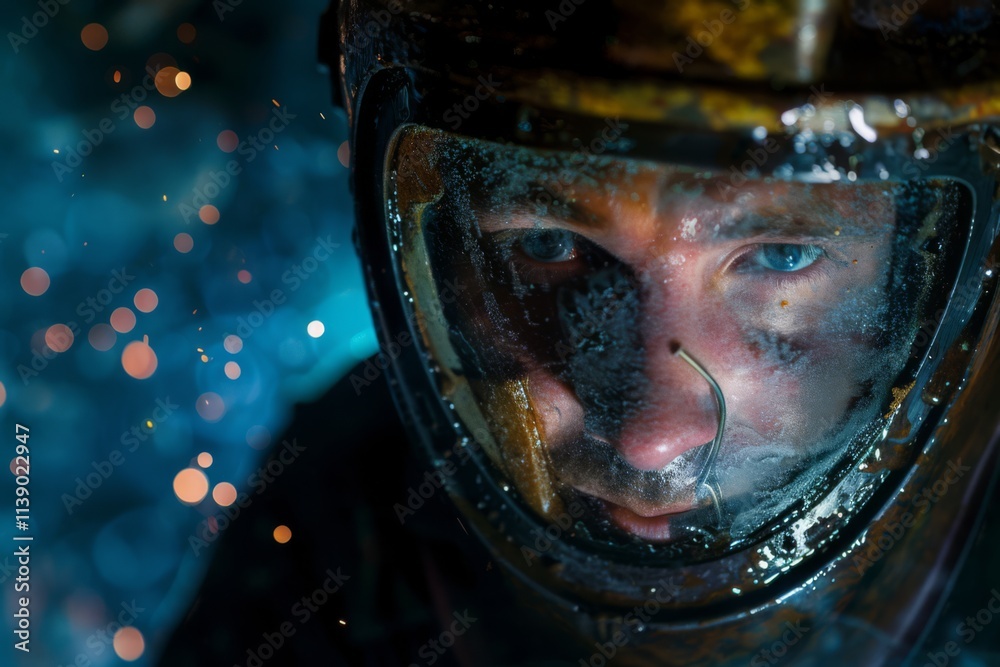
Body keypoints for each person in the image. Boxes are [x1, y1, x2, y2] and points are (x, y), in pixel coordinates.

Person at [162, 1, 1000, 665]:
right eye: (549, 247)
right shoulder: (342, 519)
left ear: (929, 261)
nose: (649, 440)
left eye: (781, 254)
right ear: (432, 248)